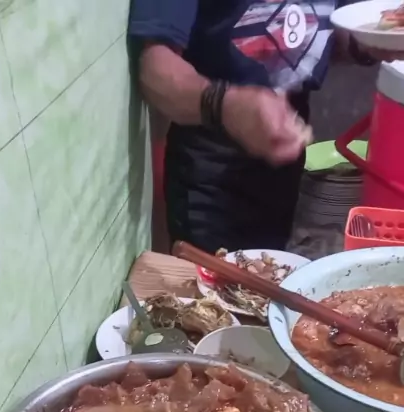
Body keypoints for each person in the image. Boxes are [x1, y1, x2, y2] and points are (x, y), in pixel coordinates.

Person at [128, 1, 403, 253]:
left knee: (268, 273)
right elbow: (154, 67)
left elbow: (319, 31)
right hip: (211, 162)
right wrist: (227, 105)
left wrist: (367, 42)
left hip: (286, 148)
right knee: (212, 287)